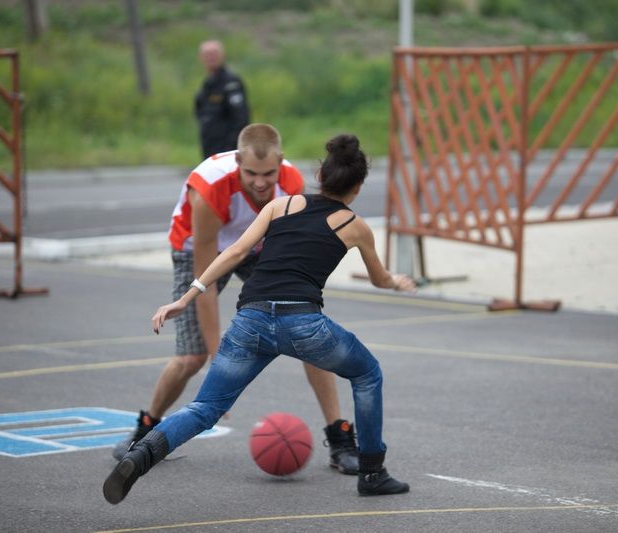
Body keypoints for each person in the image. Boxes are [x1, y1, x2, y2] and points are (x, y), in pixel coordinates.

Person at [104, 134, 414, 504]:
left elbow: (235, 251)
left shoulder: (279, 207)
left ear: (318, 173)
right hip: (304, 325)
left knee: (205, 409)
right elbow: (379, 279)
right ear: (358, 187)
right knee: (366, 373)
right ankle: (373, 472)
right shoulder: (354, 225)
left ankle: (142, 453)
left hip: (250, 321)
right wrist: (396, 281)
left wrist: (186, 297)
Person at [195, 40, 250, 158]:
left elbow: (241, 119)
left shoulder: (231, 82)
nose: (211, 58)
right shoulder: (206, 85)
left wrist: (229, 150)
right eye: (207, 54)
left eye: (214, 53)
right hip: (209, 149)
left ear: (222, 56)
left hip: (227, 152)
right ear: (201, 58)